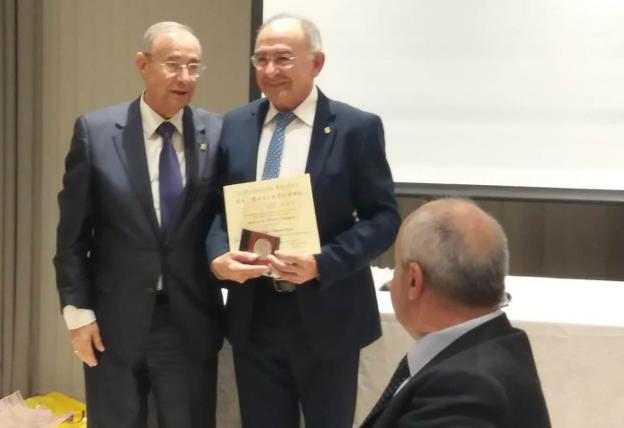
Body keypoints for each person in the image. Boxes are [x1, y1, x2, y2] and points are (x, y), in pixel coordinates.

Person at [206, 13, 400, 428]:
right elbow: (219, 210)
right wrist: (218, 256)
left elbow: (383, 218)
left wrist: (323, 262)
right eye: (261, 60)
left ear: (317, 63)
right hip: (254, 317)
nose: (270, 71)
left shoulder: (355, 128)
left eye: (283, 59)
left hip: (327, 313)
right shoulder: (236, 125)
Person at [54, 21, 223, 428]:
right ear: (142, 64)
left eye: (194, 67)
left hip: (187, 321)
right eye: (174, 64)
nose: (185, 78)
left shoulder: (216, 133)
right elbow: (72, 236)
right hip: (114, 323)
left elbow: (223, 217)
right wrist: (78, 316)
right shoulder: (96, 133)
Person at [361, 198, 551, 428]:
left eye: (396, 269)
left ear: (413, 280)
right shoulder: (498, 343)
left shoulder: (463, 390)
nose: (392, 282)